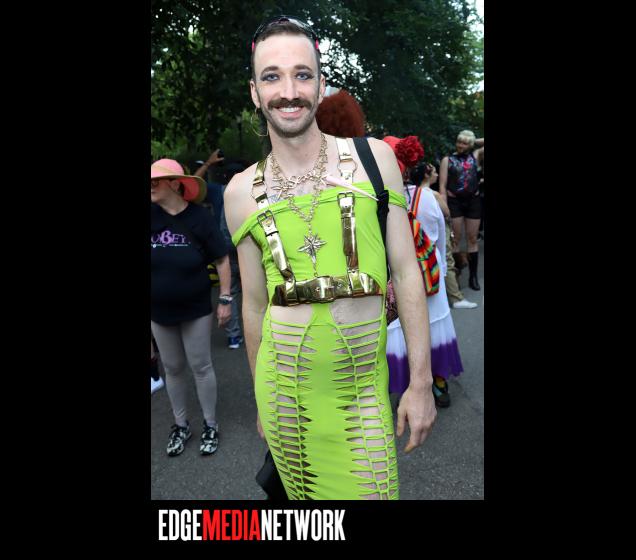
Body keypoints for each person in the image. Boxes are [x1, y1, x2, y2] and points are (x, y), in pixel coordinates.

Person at [224, 15, 436, 500]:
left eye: (302, 74)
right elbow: (253, 306)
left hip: (363, 396)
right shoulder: (238, 193)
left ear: (321, 86)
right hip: (285, 401)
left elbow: (407, 273)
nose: (288, 92)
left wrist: (420, 382)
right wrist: (260, 398)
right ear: (255, 92)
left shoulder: (374, 159)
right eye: (271, 77)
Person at [151, 158, 232, 456]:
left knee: (201, 366)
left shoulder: (200, 218)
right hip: (159, 311)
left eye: (156, 181)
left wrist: (225, 298)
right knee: (172, 368)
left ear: (175, 184)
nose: (151, 186)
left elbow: (222, 259)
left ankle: (210, 424)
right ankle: (180, 425)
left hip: (196, 307)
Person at [384, 145, 464, 408]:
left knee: (401, 327)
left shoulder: (378, 200)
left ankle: (407, 384)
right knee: (434, 324)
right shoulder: (427, 197)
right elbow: (440, 236)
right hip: (430, 271)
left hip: (396, 273)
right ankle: (439, 382)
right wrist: (441, 268)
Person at [439, 130, 484, 291]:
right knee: (456, 239)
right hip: (454, 202)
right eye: (459, 141)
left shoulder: (476, 156)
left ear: (470, 145)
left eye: (465, 143)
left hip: (473, 201)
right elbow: (442, 186)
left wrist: (473, 140)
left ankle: (473, 277)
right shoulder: (447, 160)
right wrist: (445, 208)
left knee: (472, 239)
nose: (460, 145)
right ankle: (456, 277)